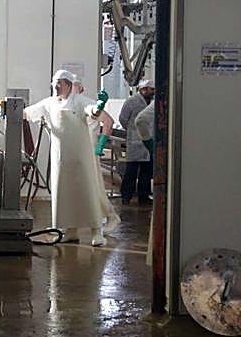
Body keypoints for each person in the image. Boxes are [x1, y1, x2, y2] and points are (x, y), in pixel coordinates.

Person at [24, 69, 119, 245]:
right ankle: (69, 230)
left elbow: (93, 112)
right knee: (64, 195)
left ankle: (96, 231)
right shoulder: (49, 103)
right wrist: (6, 110)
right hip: (61, 160)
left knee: (87, 192)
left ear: (68, 85)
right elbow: (28, 112)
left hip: (82, 158)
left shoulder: (80, 101)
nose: (56, 87)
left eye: (59, 83)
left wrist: (98, 106)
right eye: (54, 83)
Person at [118, 80, 154, 205]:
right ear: (144, 89)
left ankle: (144, 197)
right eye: (151, 90)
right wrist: (131, 131)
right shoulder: (131, 102)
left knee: (146, 172)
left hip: (147, 141)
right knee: (131, 172)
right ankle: (126, 196)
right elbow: (123, 119)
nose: (153, 92)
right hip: (134, 141)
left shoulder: (153, 102)